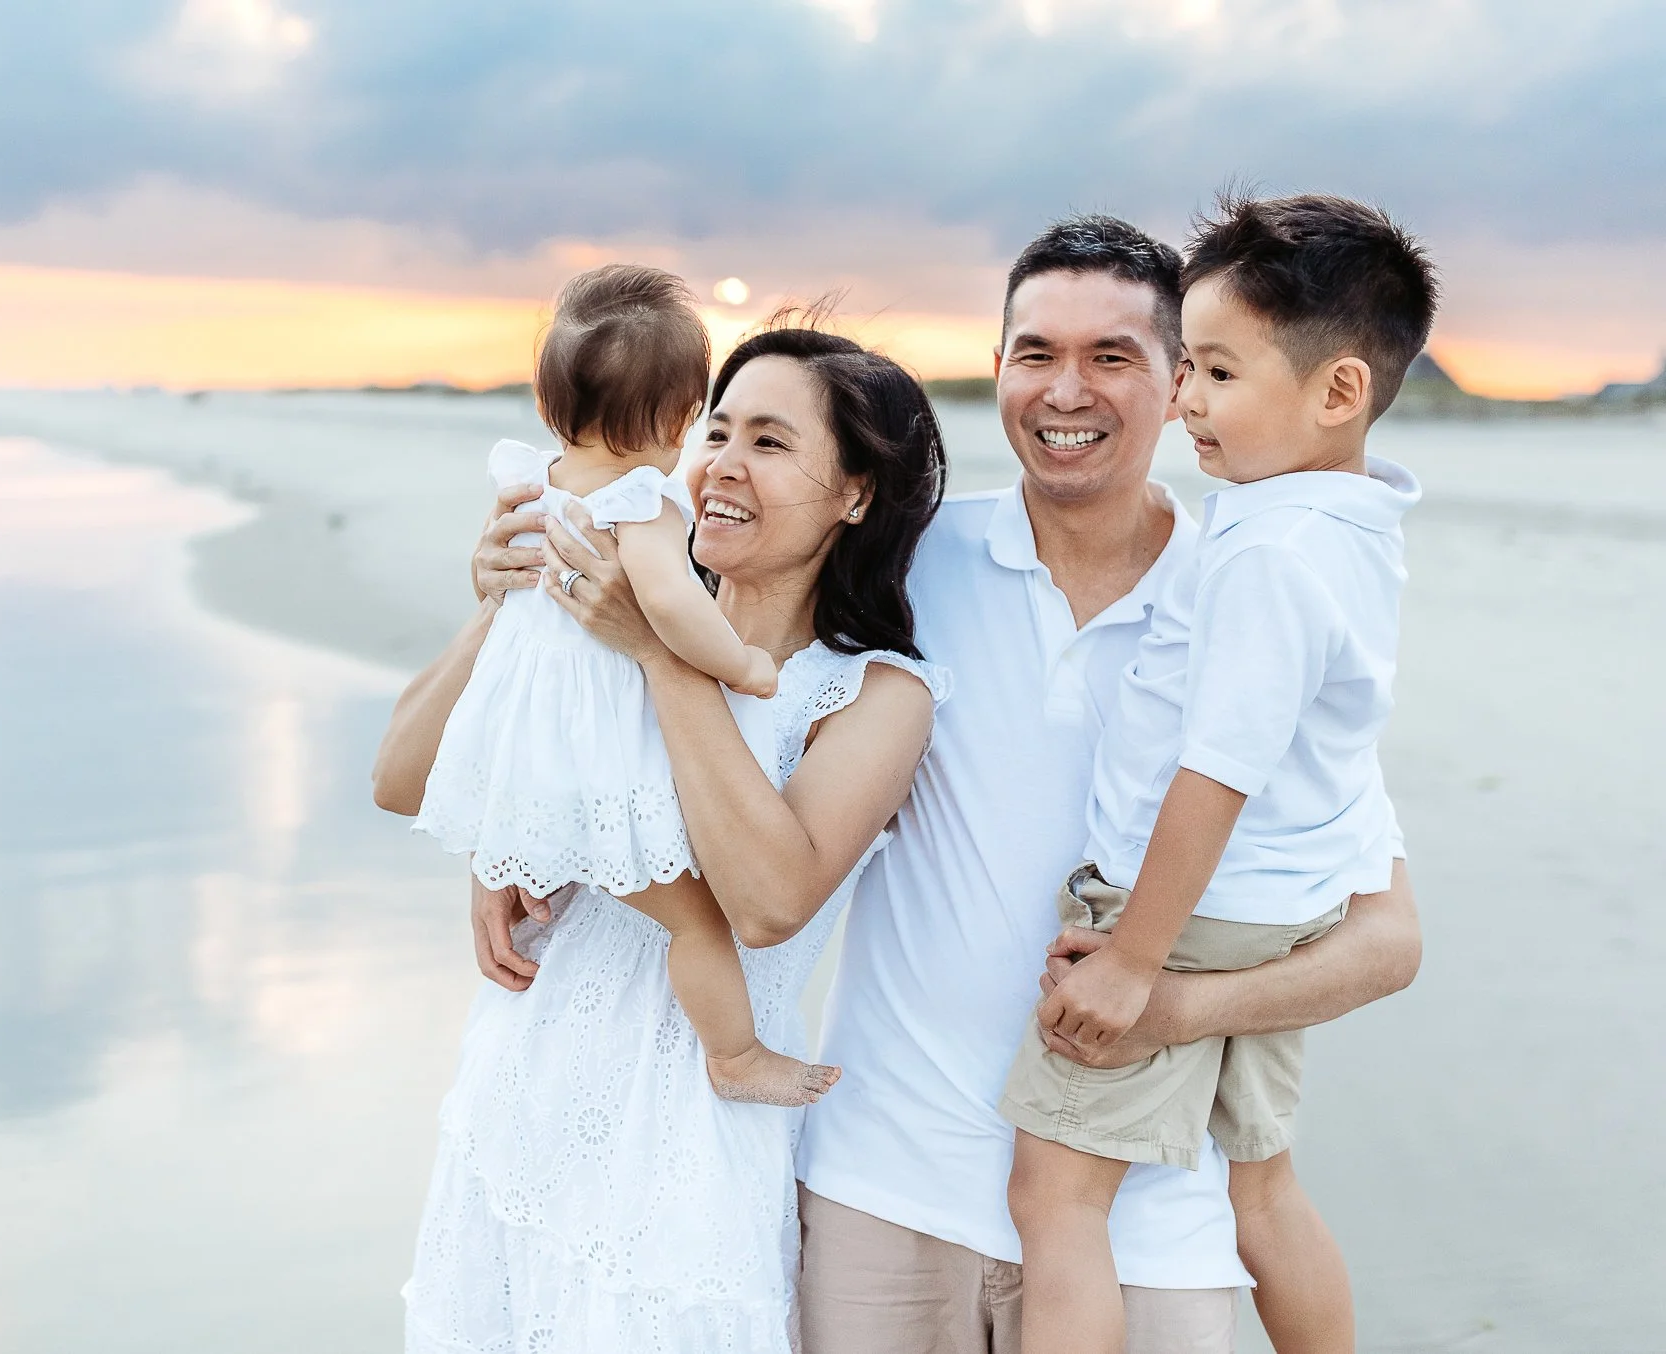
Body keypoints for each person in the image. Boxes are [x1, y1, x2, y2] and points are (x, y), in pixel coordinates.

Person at [789, 215, 1426, 1354]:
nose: (1064, 389)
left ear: (1173, 376)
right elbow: (718, 635)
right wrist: (532, 846)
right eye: (1034, 353)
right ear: (997, 367)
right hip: (882, 1189)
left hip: (1157, 1237)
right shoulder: (902, 563)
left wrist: (1168, 1000)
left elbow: (1386, 943)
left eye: (1112, 356)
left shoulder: (1248, 583)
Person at [375, 321, 951, 1352]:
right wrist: (502, 610)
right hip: (520, 1101)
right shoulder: (597, 613)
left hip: (683, 1145)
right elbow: (400, 777)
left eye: (770, 443)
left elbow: (767, 904)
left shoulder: (872, 694)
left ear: (856, 494)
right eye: (716, 430)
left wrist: (657, 655)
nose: (723, 462)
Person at [1000, 195, 1437, 1354]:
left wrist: (1131, 962)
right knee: (1263, 1188)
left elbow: (1215, 770)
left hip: (1187, 915)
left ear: (1335, 392)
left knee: (1055, 1199)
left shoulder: (1266, 554)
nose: (1185, 398)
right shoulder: (1352, 522)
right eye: (1186, 365)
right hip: (1286, 908)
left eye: (1218, 372)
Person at [412, 263, 837, 1107]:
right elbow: (673, 606)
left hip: (523, 764)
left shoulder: (531, 489)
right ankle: (735, 1056)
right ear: (681, 418)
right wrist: (744, 666)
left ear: (549, 406)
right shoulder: (641, 502)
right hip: (597, 777)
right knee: (694, 921)